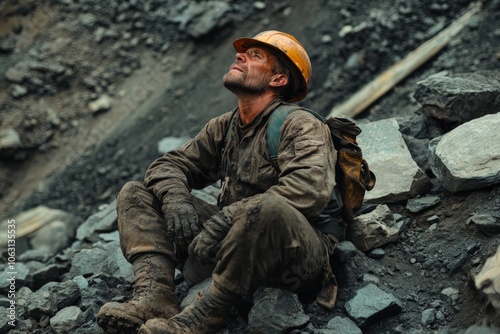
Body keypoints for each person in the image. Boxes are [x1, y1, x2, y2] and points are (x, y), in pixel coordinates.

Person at [96, 30, 343, 334]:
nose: (239, 55)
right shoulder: (225, 127)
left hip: (297, 258)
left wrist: (223, 220)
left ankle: (205, 315)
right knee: (135, 193)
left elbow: (308, 190)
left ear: (278, 80)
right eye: (242, 52)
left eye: (255, 56)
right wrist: (175, 198)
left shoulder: (300, 124)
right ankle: (154, 297)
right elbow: (169, 164)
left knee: (267, 208)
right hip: (233, 243)